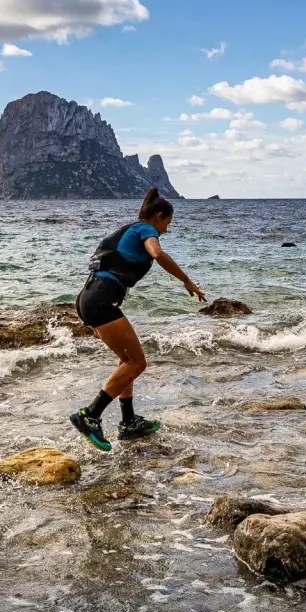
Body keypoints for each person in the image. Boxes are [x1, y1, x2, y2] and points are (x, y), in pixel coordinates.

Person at [68, 187, 206, 452]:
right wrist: (185, 279)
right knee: (137, 362)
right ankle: (90, 415)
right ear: (159, 215)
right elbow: (158, 254)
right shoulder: (146, 230)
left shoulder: (129, 228)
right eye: (167, 223)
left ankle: (128, 422)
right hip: (100, 299)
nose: (166, 229)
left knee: (126, 360)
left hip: (89, 297)